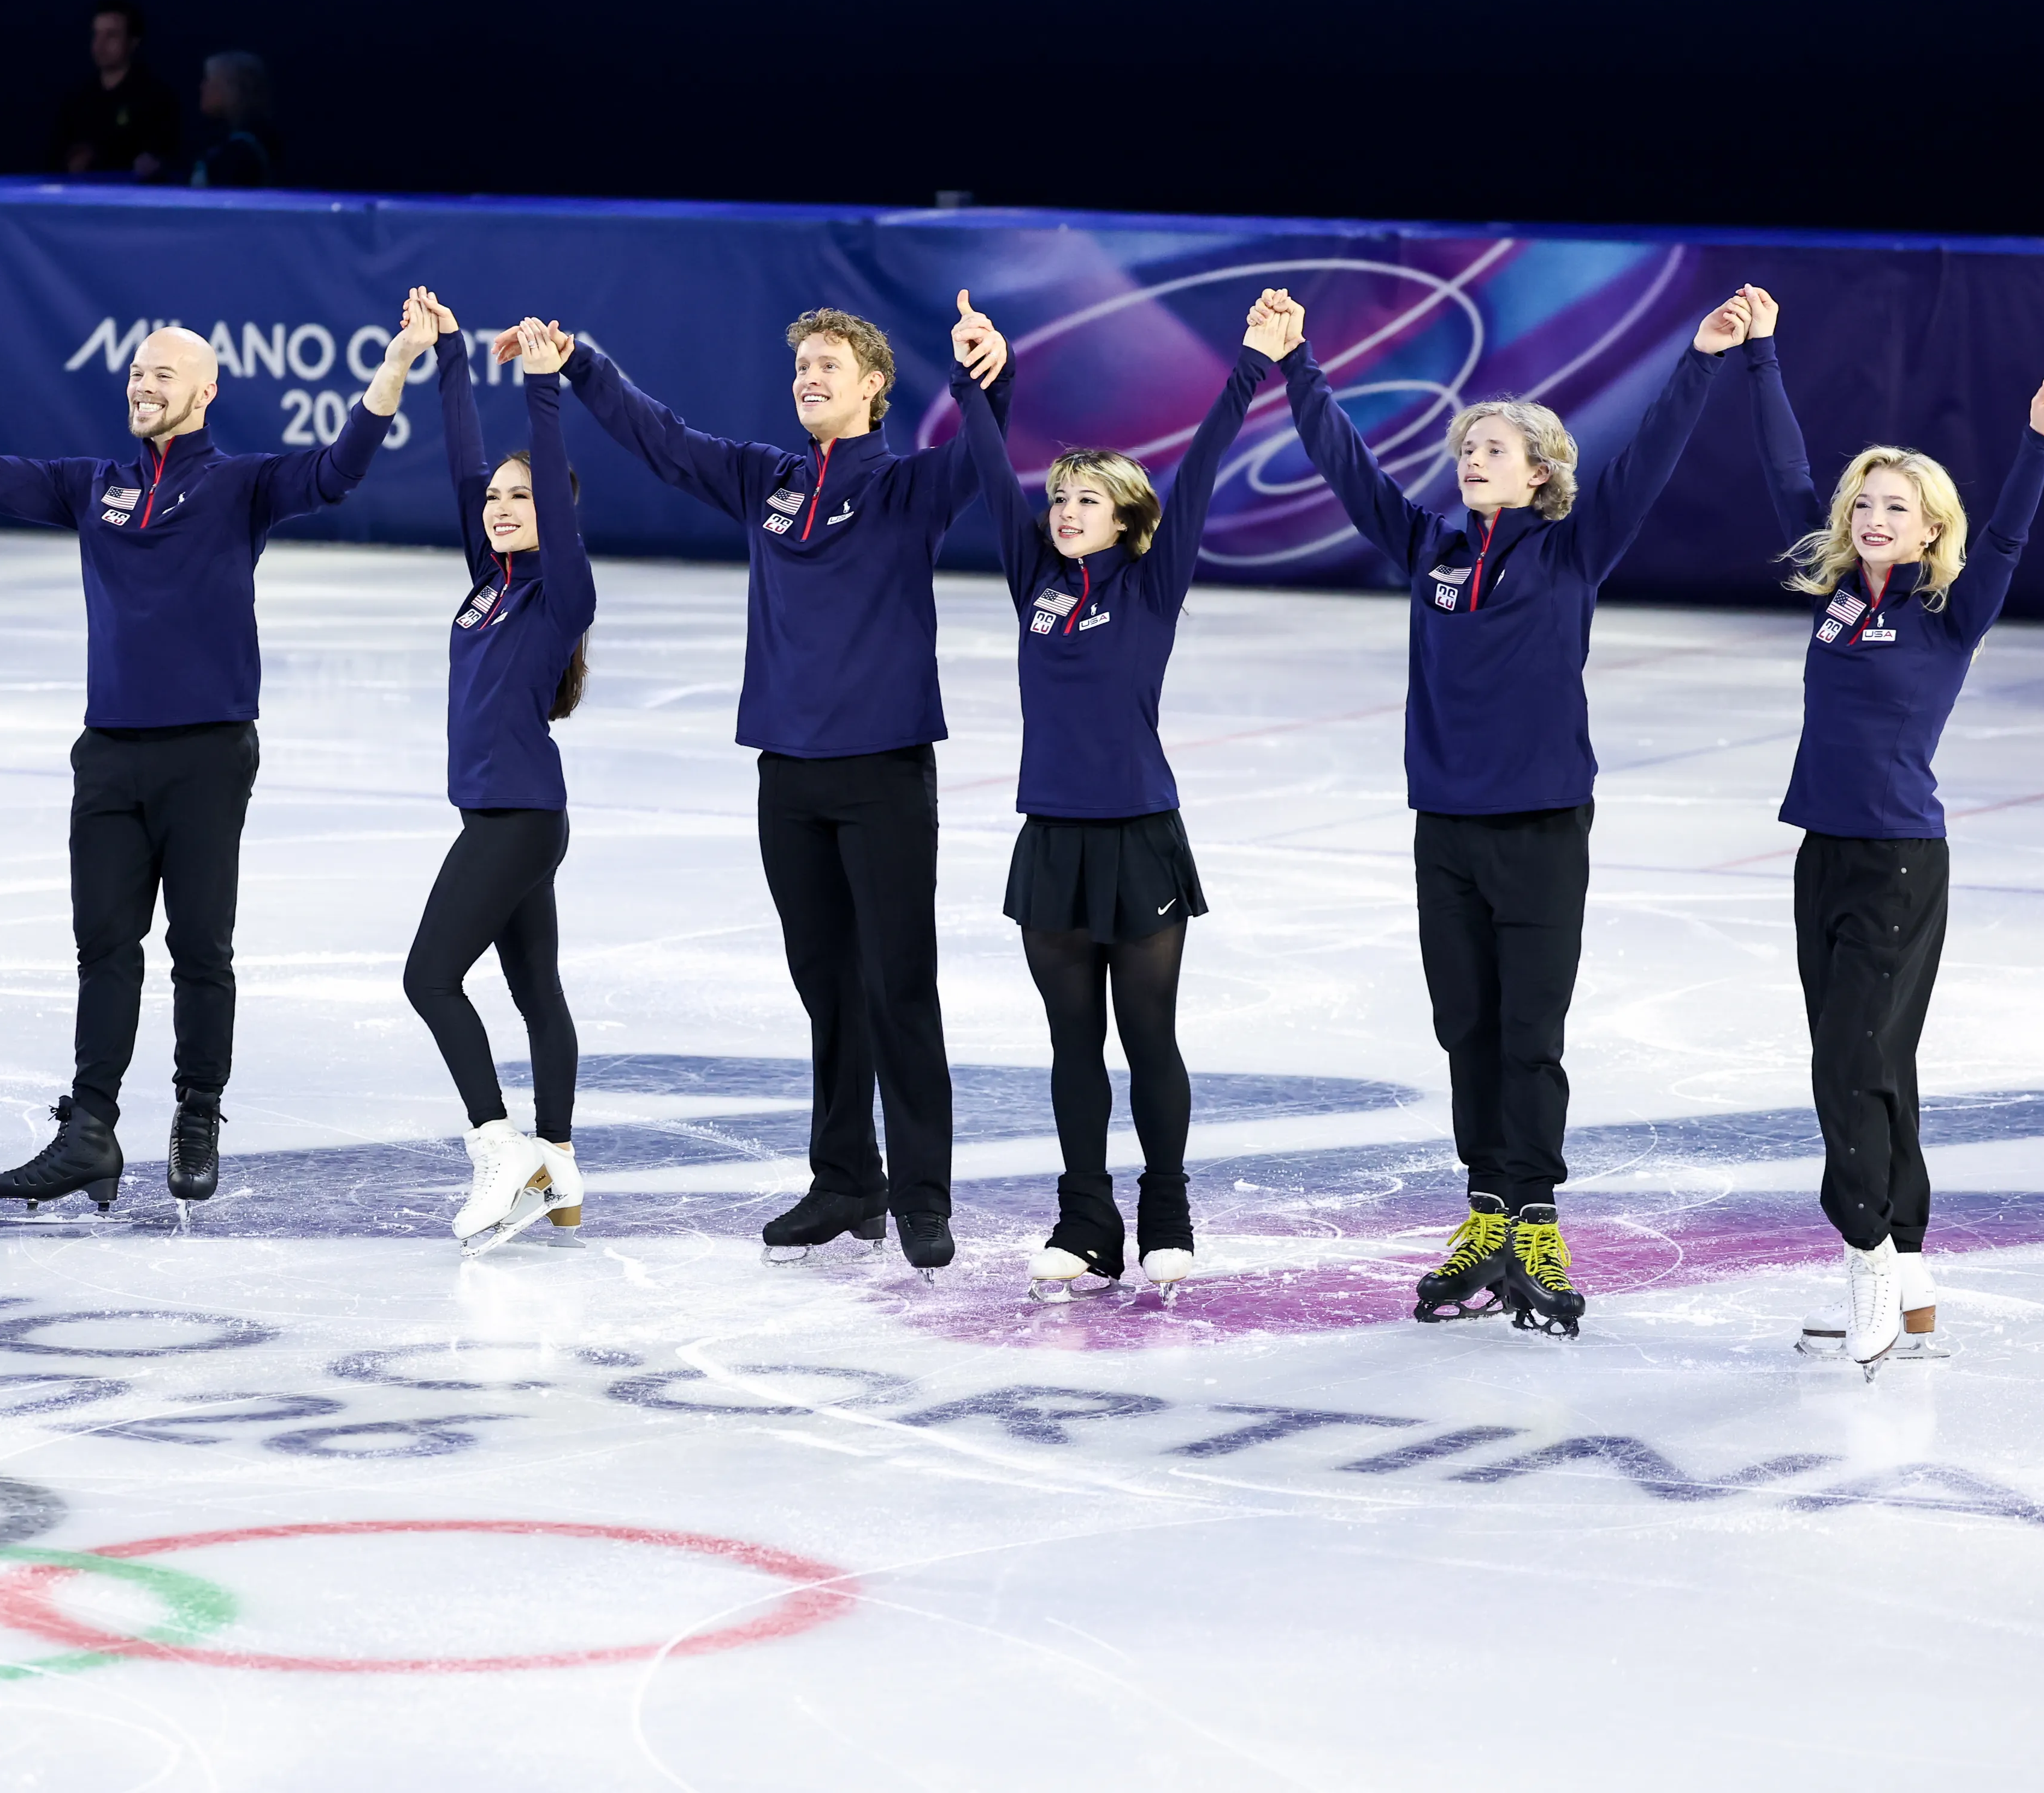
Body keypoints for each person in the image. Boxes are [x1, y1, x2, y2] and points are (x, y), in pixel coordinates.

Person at [0, 317, 412, 1217]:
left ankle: (196, 1116)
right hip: (110, 754)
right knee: (103, 950)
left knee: (201, 949)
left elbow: (342, 464)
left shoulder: (241, 485)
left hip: (208, 753)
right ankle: (91, 1130)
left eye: (162, 374)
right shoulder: (96, 488)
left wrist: (393, 365)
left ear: (204, 394)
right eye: (134, 372)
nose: (141, 384)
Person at [1279, 284, 1752, 1337]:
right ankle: (1485, 1210)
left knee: (1529, 1032)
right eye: (1465, 449)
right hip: (1444, 826)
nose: (1471, 460)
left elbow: (1654, 455)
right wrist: (1298, 365)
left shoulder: (1571, 548)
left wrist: (1704, 357)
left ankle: (1536, 1214)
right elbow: (1348, 468)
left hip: (1541, 826)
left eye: (1492, 448)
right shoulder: (1432, 553)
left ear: (1539, 472)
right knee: (1466, 1029)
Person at [531, 298, 1010, 1273]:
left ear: (875, 388)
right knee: (827, 990)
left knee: (898, 990)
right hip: (786, 776)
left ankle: (922, 1195)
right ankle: (846, 1182)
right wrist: (581, 363)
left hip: (882, 772)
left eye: (830, 364)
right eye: (801, 366)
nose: (809, 377)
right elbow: (663, 442)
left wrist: (982, 377)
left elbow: (982, 455)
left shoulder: (909, 488)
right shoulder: (770, 481)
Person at [1730, 287, 2044, 1369]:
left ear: (1932, 527)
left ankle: (1872, 1263)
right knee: (1875, 1067)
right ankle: (1911, 1269)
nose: (1876, 517)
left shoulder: (1948, 614)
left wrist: (2035, 445)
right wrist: (1763, 355)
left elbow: (2016, 536)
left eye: (1898, 507)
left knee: (1852, 1066)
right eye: (1866, 503)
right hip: (1821, 855)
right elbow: (1785, 469)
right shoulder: (1838, 594)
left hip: (1897, 863)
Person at [950, 290, 1294, 1302]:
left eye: (1086, 501)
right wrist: (978, 378)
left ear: (1128, 519)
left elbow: (1200, 468)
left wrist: (1251, 364)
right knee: (1071, 1046)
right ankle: (1085, 1221)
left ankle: (1168, 1214)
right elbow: (982, 464)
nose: (1064, 512)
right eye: (1059, 499)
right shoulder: (1036, 583)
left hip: (1140, 837)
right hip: (1052, 840)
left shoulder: (1152, 580)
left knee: (1147, 1037)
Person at [402, 293, 597, 1255]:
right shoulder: (489, 582)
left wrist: (541, 385)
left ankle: (498, 1148)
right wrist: (447, 357)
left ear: (554, 511)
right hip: (509, 814)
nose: (502, 507)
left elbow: (543, 501)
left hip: (516, 820)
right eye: (496, 501)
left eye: (523, 498)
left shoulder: (561, 593)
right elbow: (462, 463)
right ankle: (558, 1161)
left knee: (429, 977)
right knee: (536, 993)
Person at [55, 0, 177, 179]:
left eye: (111, 35)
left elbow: (161, 157)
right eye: (96, 35)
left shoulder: (156, 98)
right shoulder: (77, 99)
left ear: (133, 42)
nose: (100, 45)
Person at [189, 50, 273, 187]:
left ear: (231, 90)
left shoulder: (241, 155)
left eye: (209, 80)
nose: (202, 87)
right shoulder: (222, 143)